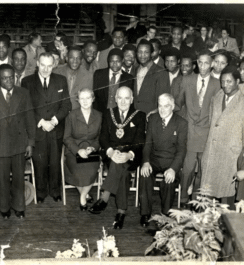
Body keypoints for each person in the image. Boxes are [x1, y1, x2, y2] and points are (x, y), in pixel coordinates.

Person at [89, 86, 146, 230]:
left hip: (131, 155)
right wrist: (110, 151)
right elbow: (103, 137)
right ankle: (121, 212)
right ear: (115, 98)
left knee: (122, 167)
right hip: (112, 154)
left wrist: (128, 154)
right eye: (120, 97)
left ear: (132, 99)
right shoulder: (108, 114)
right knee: (121, 169)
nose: (123, 101)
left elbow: (140, 141)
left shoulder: (139, 115)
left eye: (127, 98)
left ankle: (104, 197)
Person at [0, 64, 36, 219]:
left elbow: (30, 119)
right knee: (2, 179)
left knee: (19, 179)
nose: (9, 80)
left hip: (19, 143)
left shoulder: (23, 93)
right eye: (4, 78)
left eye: (11, 77)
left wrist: (30, 142)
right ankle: (5, 208)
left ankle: (19, 207)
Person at [200, 66, 244, 210]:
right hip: (212, 153)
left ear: (237, 81)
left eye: (229, 81)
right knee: (207, 194)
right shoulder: (216, 98)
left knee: (227, 197)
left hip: (230, 156)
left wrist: (242, 160)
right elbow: (213, 123)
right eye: (223, 82)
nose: (225, 85)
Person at [21, 52, 71, 203]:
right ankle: (41, 192)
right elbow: (26, 107)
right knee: (40, 162)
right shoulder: (27, 81)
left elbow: (66, 104)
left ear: (54, 65)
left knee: (55, 162)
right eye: (43, 65)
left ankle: (55, 191)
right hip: (38, 128)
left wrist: (54, 121)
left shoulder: (61, 80)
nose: (45, 69)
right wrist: (42, 122)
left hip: (56, 129)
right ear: (37, 63)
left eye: (49, 66)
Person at [175, 50, 220, 208]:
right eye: (200, 62)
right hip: (189, 129)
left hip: (206, 131)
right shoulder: (187, 79)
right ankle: (183, 197)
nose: (202, 66)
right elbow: (178, 103)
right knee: (187, 167)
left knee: (202, 167)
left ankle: (195, 198)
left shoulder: (217, 83)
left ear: (212, 64)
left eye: (206, 63)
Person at [139, 93, 187, 227]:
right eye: (160, 106)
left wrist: (173, 169)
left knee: (169, 180)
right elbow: (147, 144)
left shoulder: (181, 123)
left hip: (171, 162)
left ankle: (165, 215)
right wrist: (146, 162)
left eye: (166, 106)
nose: (162, 110)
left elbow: (181, 150)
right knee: (144, 175)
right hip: (154, 160)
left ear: (172, 106)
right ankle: (145, 213)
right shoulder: (153, 119)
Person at [63, 88, 102, 211]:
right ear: (78, 100)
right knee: (78, 170)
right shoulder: (71, 115)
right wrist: (78, 151)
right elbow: (66, 137)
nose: (85, 101)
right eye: (82, 98)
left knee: (91, 170)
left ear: (93, 99)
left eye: (88, 98)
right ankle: (85, 195)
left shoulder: (99, 115)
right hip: (74, 151)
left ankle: (83, 196)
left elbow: (100, 138)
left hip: (92, 152)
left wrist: (93, 148)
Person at [134, 39, 170, 114]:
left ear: (151, 53)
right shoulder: (135, 70)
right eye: (140, 52)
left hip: (152, 117)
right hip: (135, 116)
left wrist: (155, 113)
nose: (142, 55)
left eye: (146, 52)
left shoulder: (161, 73)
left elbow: (164, 100)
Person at [93, 48, 134, 113]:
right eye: (112, 61)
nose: (115, 64)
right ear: (108, 61)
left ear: (122, 61)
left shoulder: (128, 78)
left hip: (119, 115)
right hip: (100, 114)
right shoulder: (98, 74)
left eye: (118, 61)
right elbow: (95, 96)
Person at [171, 52, 196, 118]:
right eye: (182, 65)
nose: (183, 68)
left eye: (187, 66)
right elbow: (172, 101)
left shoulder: (198, 80)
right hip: (178, 118)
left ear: (193, 66)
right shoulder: (176, 80)